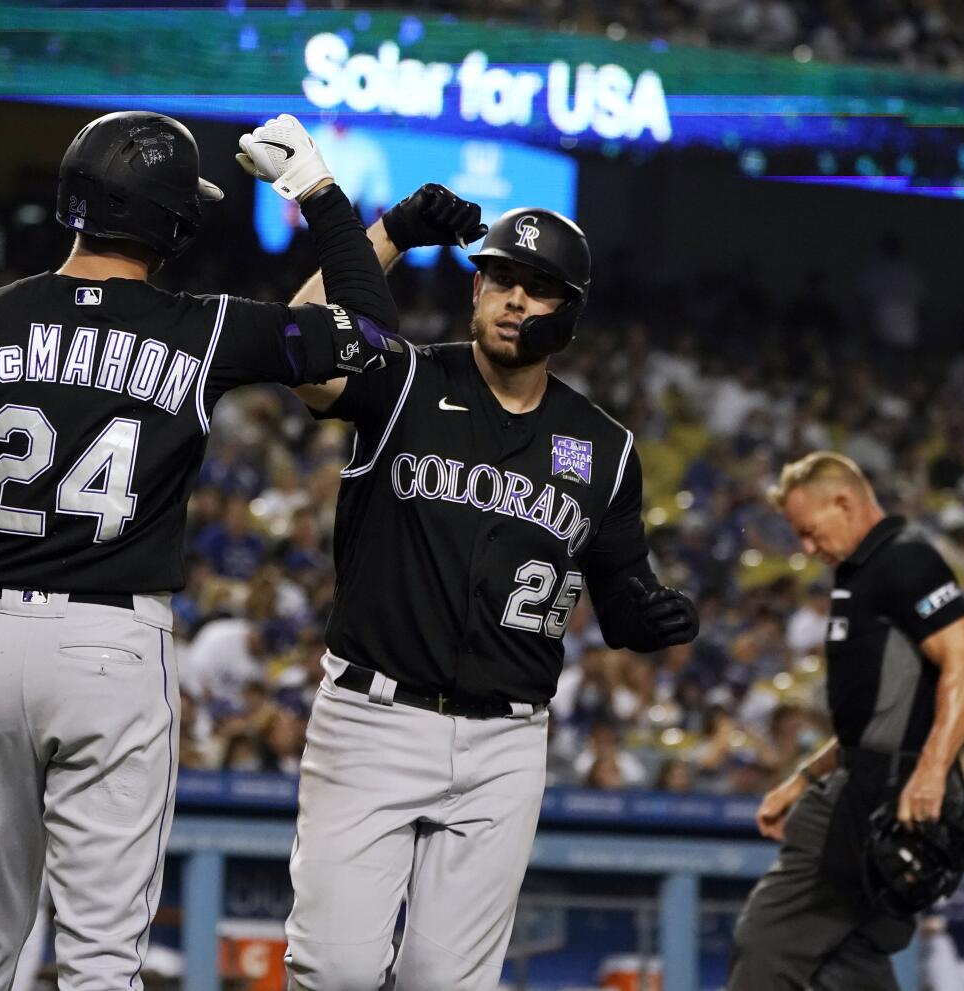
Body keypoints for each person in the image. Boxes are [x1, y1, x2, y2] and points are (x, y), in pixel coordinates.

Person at [0, 110, 405, 989]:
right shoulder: (205, 326)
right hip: (114, 647)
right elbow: (373, 341)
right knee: (102, 960)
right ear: (172, 223)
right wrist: (321, 196)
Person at [284, 194, 700, 990]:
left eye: (536, 286)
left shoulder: (605, 448)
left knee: (446, 982)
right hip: (374, 716)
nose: (512, 298)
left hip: (507, 741)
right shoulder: (404, 376)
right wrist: (391, 236)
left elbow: (621, 593)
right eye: (499, 277)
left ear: (569, 311)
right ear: (474, 288)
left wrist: (649, 613)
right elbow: (297, 342)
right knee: (335, 970)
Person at [729, 451, 964, 990]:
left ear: (844, 501)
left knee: (770, 938)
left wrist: (934, 769)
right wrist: (804, 777)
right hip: (864, 783)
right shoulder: (861, 571)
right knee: (847, 955)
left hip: (889, 793)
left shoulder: (906, 561)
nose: (805, 548)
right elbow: (872, 718)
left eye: (808, 530)